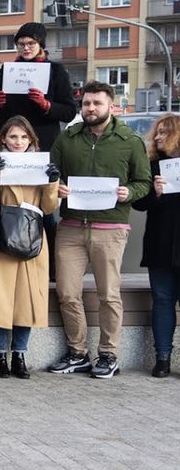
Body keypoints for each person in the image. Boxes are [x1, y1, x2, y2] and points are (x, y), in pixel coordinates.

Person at [48, 81, 151, 378]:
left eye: (97, 104)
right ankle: (77, 352)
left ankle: (108, 354)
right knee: (67, 292)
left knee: (109, 294)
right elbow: (50, 173)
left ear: (112, 107)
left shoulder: (129, 141)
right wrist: (58, 188)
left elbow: (143, 182)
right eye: (87, 104)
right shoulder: (67, 138)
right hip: (70, 227)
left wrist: (127, 193)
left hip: (111, 227)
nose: (91, 108)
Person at [0, 116, 60, 379]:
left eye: (24, 137)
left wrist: (52, 183)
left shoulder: (40, 164)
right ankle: (0, 355)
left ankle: (19, 355)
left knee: (27, 297)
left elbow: (49, 208)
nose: (18, 142)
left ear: (31, 140)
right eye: (13, 137)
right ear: (3, 139)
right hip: (0, 229)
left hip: (32, 232)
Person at [0, 22, 77, 151]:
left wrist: (46, 105)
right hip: (8, 142)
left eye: (31, 43)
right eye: (21, 44)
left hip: (42, 141)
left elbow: (69, 112)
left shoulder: (55, 71)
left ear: (40, 45)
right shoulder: (7, 70)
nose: (26, 48)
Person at [134, 114, 180, 378]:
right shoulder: (151, 165)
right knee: (162, 300)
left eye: (164, 132)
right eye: (157, 133)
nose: (158, 137)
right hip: (160, 243)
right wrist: (156, 194)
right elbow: (139, 204)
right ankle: (162, 357)